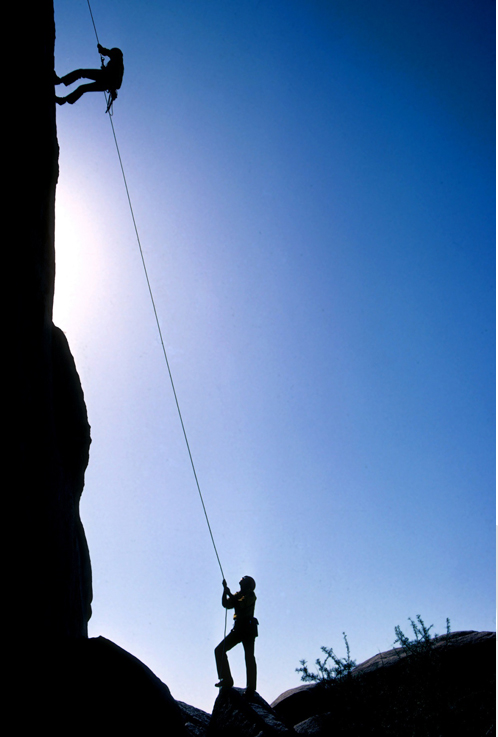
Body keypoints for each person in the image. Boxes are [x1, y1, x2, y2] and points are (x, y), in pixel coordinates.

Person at [214, 576, 258, 695]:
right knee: (219, 650)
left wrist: (229, 593)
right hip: (238, 629)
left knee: (249, 657)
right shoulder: (238, 594)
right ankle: (226, 679)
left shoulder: (251, 595)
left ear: (247, 584)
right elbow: (226, 604)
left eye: (243, 579)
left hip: (248, 630)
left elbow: (240, 605)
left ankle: (251, 687)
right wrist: (225, 591)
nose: (240, 580)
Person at [55, 44, 124, 108]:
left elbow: (110, 54)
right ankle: (64, 100)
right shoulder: (116, 63)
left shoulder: (118, 62)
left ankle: (60, 82)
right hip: (104, 81)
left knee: (81, 73)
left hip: (104, 79)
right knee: (83, 87)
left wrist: (102, 49)